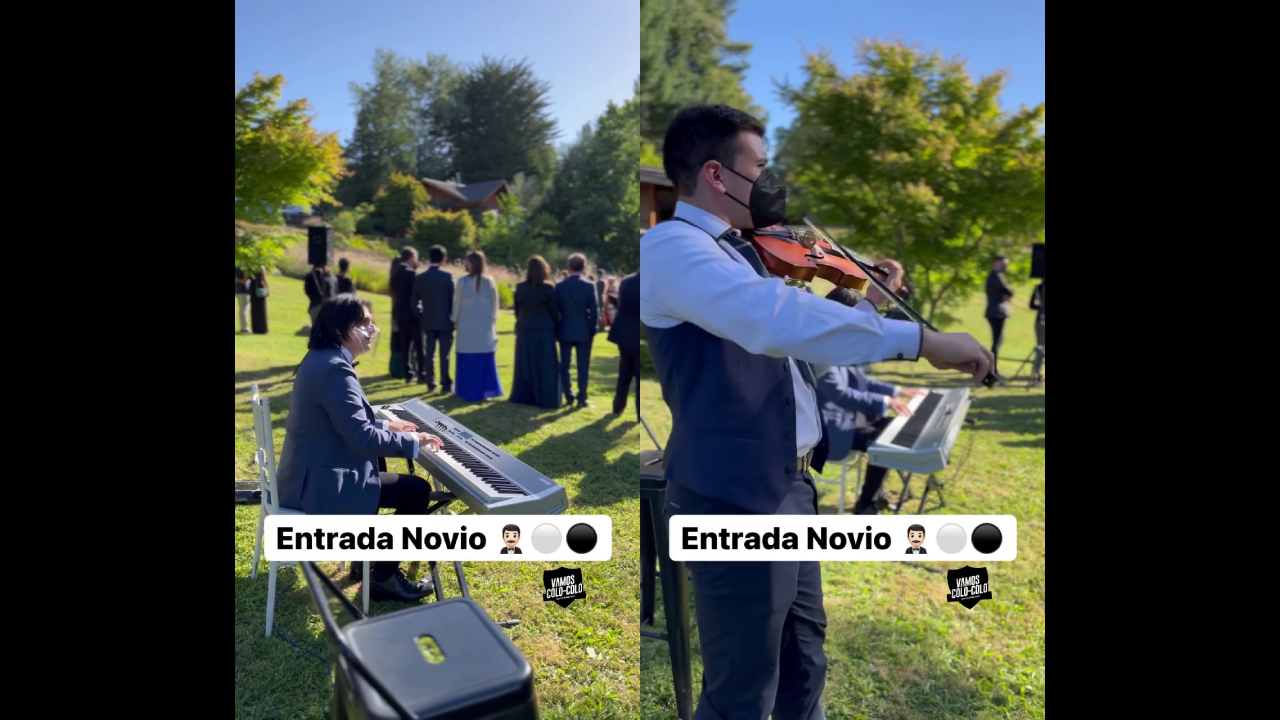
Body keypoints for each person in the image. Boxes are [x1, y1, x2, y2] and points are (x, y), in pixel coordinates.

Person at [640, 104, 993, 720]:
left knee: (805, 659)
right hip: (731, 498)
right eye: (762, 168)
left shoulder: (742, 251)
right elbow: (773, 319)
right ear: (718, 176)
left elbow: (804, 343)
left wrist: (856, 289)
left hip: (788, 485)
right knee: (743, 686)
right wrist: (923, 341)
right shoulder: (672, 246)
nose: (773, 185)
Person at [274, 294, 446, 602]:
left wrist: (386, 426)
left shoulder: (321, 358)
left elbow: (340, 424)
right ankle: (383, 577)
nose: (371, 329)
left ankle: (366, 564)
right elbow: (360, 439)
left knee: (381, 470)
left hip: (309, 474)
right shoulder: (334, 369)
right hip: (319, 486)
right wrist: (413, 442)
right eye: (364, 323)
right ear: (343, 329)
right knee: (416, 490)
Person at [816, 287, 928, 514]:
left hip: (851, 419)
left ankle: (874, 493)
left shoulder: (839, 343)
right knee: (885, 440)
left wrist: (897, 391)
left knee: (891, 428)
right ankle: (866, 503)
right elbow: (841, 394)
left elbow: (861, 381)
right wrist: (887, 401)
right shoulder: (819, 349)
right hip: (831, 429)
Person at [510, 255, 561, 409]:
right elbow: (554, 312)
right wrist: (557, 329)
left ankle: (524, 395)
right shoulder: (548, 288)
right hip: (544, 329)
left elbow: (517, 310)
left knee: (525, 363)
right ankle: (546, 397)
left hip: (525, 327)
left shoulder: (520, 287)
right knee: (545, 364)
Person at [452, 250, 503, 401]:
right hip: (483, 328)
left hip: (468, 327)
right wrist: (493, 322)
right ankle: (482, 390)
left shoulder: (465, 281)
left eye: (467, 261)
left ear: (472, 263)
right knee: (481, 357)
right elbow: (495, 308)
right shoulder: (488, 281)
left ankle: (468, 389)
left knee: (469, 357)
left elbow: (457, 305)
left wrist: (454, 320)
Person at [555, 253, 599, 408]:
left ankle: (567, 394)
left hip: (565, 328)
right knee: (583, 365)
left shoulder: (560, 286)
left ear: (568, 267)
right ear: (584, 268)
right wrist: (592, 329)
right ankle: (582, 397)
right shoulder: (589, 286)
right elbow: (594, 311)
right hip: (583, 330)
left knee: (565, 365)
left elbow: (556, 310)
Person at [411, 245, 455, 392]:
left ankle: (430, 382)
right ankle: (445, 383)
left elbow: (413, 302)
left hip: (428, 321)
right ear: (443, 260)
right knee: (445, 355)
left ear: (430, 259)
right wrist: (453, 319)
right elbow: (453, 300)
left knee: (429, 354)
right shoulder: (448, 277)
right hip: (446, 321)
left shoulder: (420, 278)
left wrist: (421, 315)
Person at [389, 247, 423, 385]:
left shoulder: (395, 275)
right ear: (410, 258)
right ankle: (422, 373)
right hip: (413, 314)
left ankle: (408, 373)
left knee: (405, 345)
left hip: (399, 313)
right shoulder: (413, 275)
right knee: (420, 345)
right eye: (415, 257)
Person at [608, 271, 640, 417]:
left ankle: (618, 406)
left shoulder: (626, 281)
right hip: (638, 330)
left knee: (625, 369)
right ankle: (639, 410)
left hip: (623, 331)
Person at [984, 254, 1014, 373]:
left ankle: (992, 367)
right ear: (996, 263)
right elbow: (1008, 290)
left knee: (998, 340)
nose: (1005, 266)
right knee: (997, 341)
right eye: (1003, 264)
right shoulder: (996, 276)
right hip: (996, 312)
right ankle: (992, 368)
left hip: (996, 311)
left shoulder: (994, 276)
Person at [1030, 281, 1045, 383]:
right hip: (1041, 321)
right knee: (1040, 347)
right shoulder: (1039, 288)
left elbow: (1031, 305)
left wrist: (1040, 308)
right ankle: (1037, 372)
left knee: (1040, 347)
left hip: (1039, 320)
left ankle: (1037, 371)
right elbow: (1031, 305)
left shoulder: (1038, 288)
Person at [249, 266, 270, 335]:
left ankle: (255, 328)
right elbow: (264, 279)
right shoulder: (261, 267)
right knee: (261, 309)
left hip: (252, 287)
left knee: (254, 309)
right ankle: (262, 328)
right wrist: (267, 288)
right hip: (259, 287)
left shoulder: (250, 267)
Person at [236, 267, 251, 333]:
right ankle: (244, 327)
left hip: (237, 289)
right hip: (243, 290)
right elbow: (244, 280)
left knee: (242, 308)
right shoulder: (244, 267)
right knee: (243, 308)